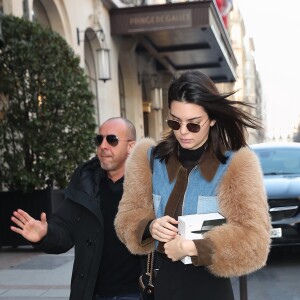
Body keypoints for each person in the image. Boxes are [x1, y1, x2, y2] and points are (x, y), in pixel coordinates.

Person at [114, 71, 271, 300]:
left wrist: (194, 248)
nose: (183, 132)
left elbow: (255, 242)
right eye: (175, 122)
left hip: (208, 289)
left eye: (194, 124)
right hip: (159, 286)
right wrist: (149, 227)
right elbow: (125, 220)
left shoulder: (236, 165)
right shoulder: (149, 159)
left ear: (213, 118)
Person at [10, 117, 142, 300]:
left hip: (136, 293)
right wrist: (44, 235)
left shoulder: (150, 183)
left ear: (131, 146)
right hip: (93, 292)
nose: (103, 146)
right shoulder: (86, 183)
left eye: (112, 140)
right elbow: (64, 229)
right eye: (99, 140)